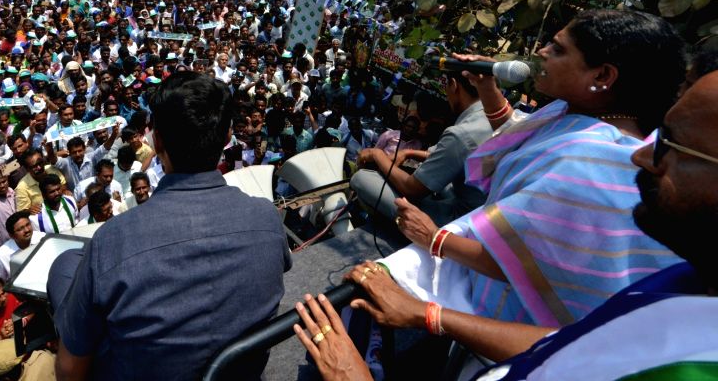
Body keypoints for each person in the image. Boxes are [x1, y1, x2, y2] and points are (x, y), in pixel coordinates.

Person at [295, 68, 718, 381]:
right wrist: (430, 315)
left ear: (603, 76)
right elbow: (569, 342)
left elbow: (523, 261)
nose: (641, 158)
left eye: (671, 145)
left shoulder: (585, 157)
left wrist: (352, 376)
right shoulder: (681, 283)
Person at [53, 72, 291, 380]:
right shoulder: (267, 217)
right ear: (226, 136)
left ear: (158, 140)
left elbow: (69, 373)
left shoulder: (112, 239)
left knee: (65, 267)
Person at [352, 72, 493, 225]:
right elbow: (441, 153)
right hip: (482, 209)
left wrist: (377, 154)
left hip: (460, 219)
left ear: (453, 85)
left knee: (360, 178)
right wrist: (408, 152)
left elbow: (411, 189)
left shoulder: (462, 133)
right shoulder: (492, 117)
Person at [0, 210, 43, 281]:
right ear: (11, 235)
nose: (27, 230)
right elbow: (0, 283)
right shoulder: (2, 256)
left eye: (28, 224)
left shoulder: (43, 239)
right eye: (20, 229)